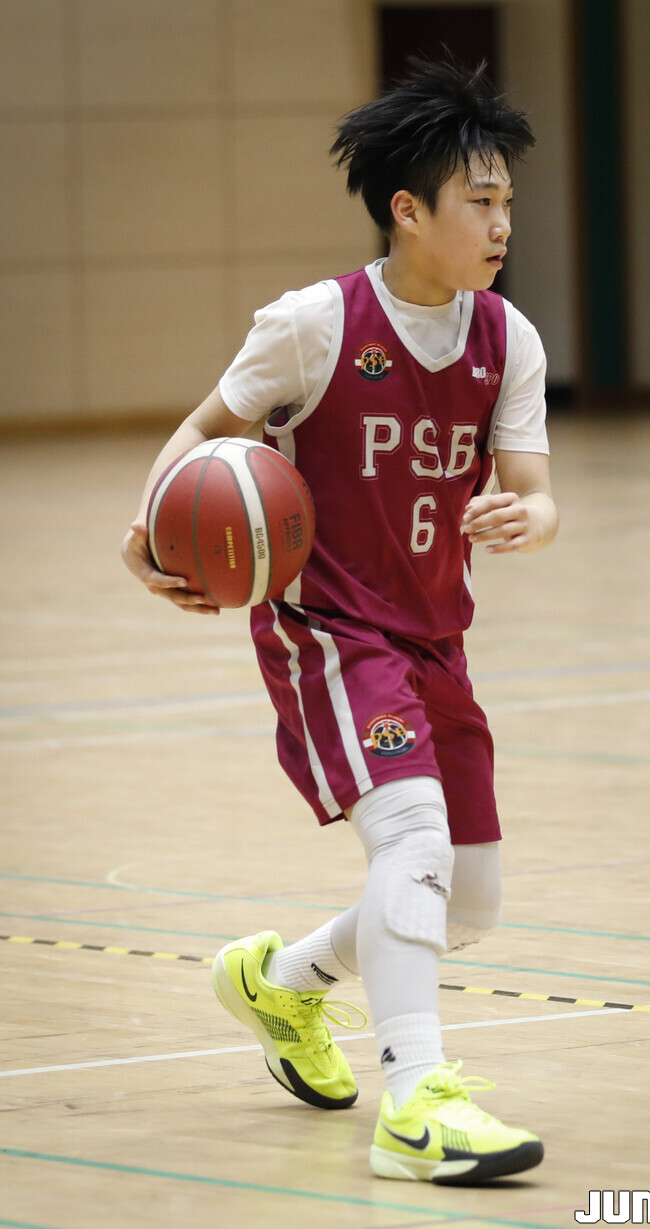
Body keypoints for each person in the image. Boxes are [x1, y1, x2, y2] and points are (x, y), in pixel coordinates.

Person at [122, 58, 559, 1186]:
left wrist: (529, 515)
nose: (502, 223)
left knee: (467, 900)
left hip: (436, 638)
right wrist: (148, 528)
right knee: (410, 841)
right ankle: (415, 1101)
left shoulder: (507, 338)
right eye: (480, 200)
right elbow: (205, 431)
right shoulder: (314, 324)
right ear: (408, 209)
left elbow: (535, 489)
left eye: (508, 200)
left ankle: (284, 982)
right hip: (329, 630)